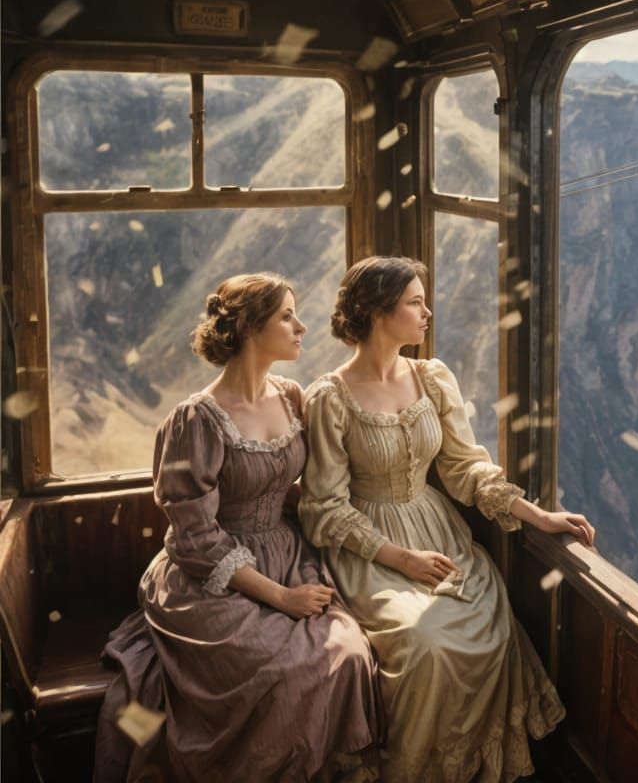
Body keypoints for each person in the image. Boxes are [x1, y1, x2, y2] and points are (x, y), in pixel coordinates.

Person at [299, 256, 595, 783]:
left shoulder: (432, 378)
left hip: (438, 533)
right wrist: (402, 559)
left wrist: (538, 516)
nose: (427, 312)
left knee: (493, 628)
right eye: (414, 302)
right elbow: (323, 505)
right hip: (370, 548)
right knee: (424, 644)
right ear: (377, 312)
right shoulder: (330, 398)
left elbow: (464, 468)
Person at [95, 274, 382, 783]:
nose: (302, 327)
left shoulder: (291, 397)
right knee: (284, 670)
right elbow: (194, 536)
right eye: (287, 317)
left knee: (349, 652)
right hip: (210, 575)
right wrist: (282, 597)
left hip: (287, 554)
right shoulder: (196, 419)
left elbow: (306, 484)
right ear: (250, 327)